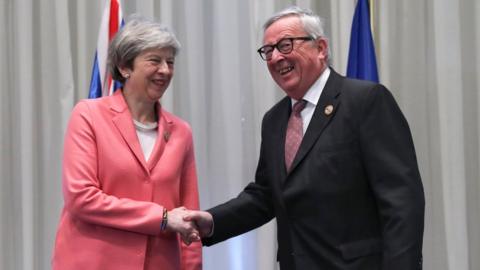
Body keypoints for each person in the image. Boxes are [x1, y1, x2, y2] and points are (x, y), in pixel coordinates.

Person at [184, 6, 425, 270]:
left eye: (285, 45)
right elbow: (266, 195)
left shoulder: (365, 101)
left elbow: (401, 201)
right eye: (268, 51)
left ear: (320, 48)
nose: (276, 57)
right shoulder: (274, 120)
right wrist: (212, 221)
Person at [52, 17, 202, 270]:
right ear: (124, 67)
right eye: (155, 60)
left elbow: (189, 218)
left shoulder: (182, 132)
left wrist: (193, 266)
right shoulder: (88, 115)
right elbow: (82, 198)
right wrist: (162, 218)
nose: (165, 70)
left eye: (170, 62)